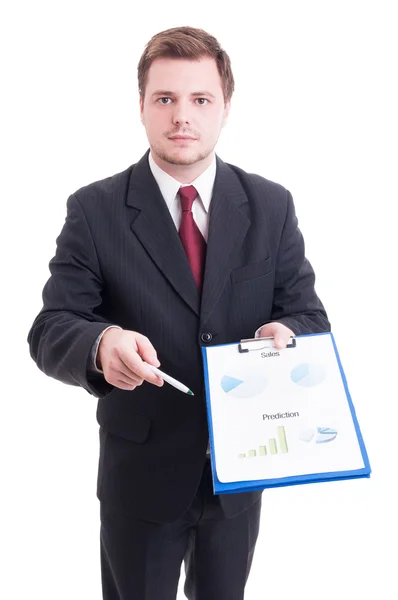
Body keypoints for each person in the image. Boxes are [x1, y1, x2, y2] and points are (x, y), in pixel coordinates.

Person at [28, 25, 330, 600]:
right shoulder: (94, 210)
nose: (181, 116)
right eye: (164, 98)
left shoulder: (270, 204)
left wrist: (285, 332)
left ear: (225, 108)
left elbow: (310, 316)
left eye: (200, 99)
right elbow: (51, 327)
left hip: (239, 475)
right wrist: (101, 342)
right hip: (140, 479)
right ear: (141, 107)